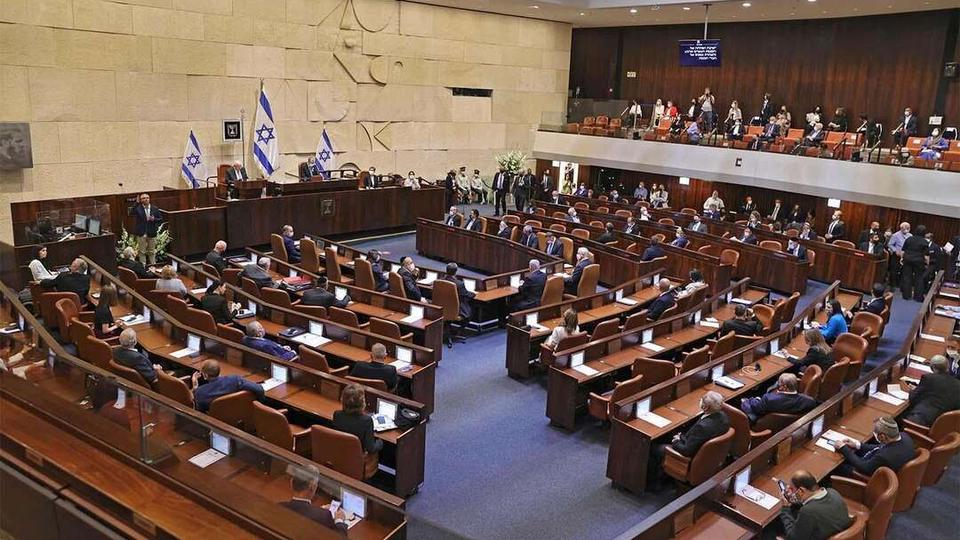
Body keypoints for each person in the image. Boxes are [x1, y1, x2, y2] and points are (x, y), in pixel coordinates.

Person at [649, 391, 729, 489]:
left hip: (690, 457)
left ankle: (655, 483)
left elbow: (686, 451)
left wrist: (676, 441)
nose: (700, 401)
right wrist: (681, 437)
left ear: (706, 407)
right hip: (705, 454)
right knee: (669, 434)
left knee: (652, 446)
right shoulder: (724, 417)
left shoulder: (702, 427)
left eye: (701, 400)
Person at [778, 470, 852, 540]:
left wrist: (785, 509)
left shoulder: (807, 511)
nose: (789, 491)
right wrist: (796, 502)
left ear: (801, 491)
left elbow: (793, 538)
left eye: (792, 489)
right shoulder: (833, 492)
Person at [835, 416, 915, 476]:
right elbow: (879, 447)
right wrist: (857, 445)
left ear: (883, 436)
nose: (875, 434)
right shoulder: (905, 436)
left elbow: (864, 467)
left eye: (876, 433)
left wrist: (844, 449)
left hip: (867, 476)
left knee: (838, 467)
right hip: (880, 464)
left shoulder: (885, 456)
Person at [281, 472, 349, 532]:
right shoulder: (324, 516)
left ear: (291, 483)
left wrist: (320, 509)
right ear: (312, 487)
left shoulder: (280, 506)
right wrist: (339, 521)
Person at [904, 355, 960, 426]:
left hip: (921, 422)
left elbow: (913, 398)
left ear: (932, 367)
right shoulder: (958, 384)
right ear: (948, 367)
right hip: (943, 427)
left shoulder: (928, 378)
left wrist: (914, 390)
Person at [192, 359, 265, 412]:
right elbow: (259, 389)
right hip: (239, 414)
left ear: (205, 375)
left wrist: (195, 388)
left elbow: (198, 410)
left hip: (218, 421)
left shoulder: (200, 392)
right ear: (219, 371)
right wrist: (258, 405)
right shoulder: (235, 380)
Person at [741, 374, 817, 423]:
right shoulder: (808, 401)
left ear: (784, 387)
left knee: (743, 402)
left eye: (779, 383)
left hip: (765, 423)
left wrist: (755, 400)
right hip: (787, 425)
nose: (777, 385)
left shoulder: (769, 398)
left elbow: (757, 410)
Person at [333, 385, 383, 454]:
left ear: (342, 400)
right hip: (357, 458)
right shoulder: (367, 420)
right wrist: (380, 442)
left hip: (339, 453)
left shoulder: (337, 414)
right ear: (362, 403)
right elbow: (370, 448)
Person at [901, 224, 929, 301]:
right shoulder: (924, 241)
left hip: (907, 259)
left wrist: (901, 258)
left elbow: (903, 250)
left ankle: (906, 296)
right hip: (919, 261)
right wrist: (927, 264)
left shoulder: (909, 239)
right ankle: (918, 297)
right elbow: (926, 256)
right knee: (919, 278)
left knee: (907, 277)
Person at [132, 193, 162, 265]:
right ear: (140, 200)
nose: (146, 199)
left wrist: (153, 219)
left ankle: (153, 266)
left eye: (147, 198)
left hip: (151, 232)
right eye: (144, 198)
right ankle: (143, 267)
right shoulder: (138, 208)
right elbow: (131, 213)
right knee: (142, 252)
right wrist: (136, 203)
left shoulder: (155, 208)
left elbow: (160, 219)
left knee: (151, 251)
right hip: (141, 233)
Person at [887, 221, 911, 288]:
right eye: (905, 228)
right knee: (894, 270)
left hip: (906, 255)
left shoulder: (910, 236)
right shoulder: (895, 235)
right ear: (901, 228)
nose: (906, 229)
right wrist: (895, 250)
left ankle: (900, 284)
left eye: (908, 228)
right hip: (896, 255)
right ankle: (892, 284)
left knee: (904, 270)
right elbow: (890, 244)